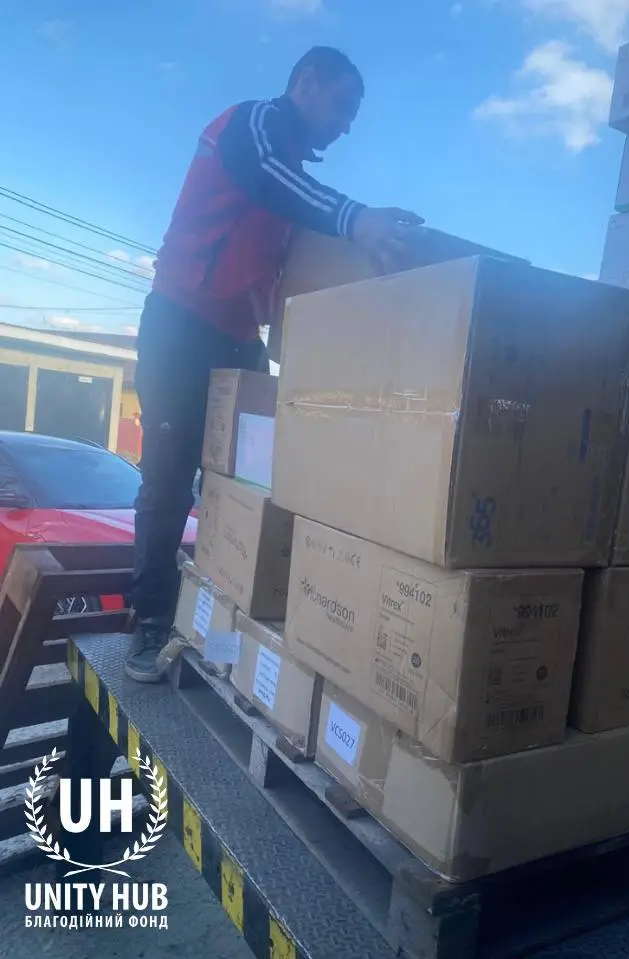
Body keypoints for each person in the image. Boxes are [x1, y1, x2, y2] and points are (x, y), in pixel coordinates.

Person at [126, 45, 423, 682]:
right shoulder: (254, 126)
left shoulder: (293, 177)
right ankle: (149, 622)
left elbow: (301, 252)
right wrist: (356, 219)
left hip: (238, 336)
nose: (346, 125)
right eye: (342, 106)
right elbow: (267, 177)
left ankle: (221, 615)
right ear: (306, 83)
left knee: (248, 480)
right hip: (182, 321)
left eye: (353, 114)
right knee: (171, 473)